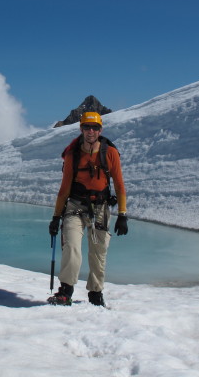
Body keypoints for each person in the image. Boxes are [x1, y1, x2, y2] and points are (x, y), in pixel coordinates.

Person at [48, 112, 128, 306]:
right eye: (86, 127)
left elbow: (119, 185)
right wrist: (56, 217)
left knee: (99, 252)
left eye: (94, 128)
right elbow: (65, 188)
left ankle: (95, 293)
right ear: (81, 129)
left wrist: (123, 214)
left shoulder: (110, 153)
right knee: (72, 247)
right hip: (75, 205)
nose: (90, 131)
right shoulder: (72, 154)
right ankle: (66, 291)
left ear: (100, 130)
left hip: (100, 208)